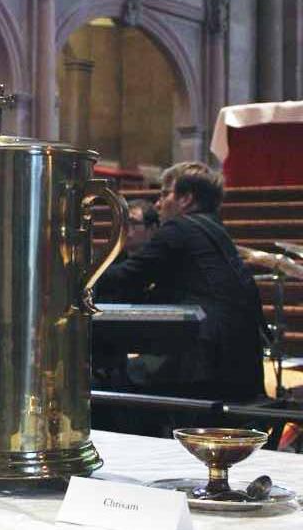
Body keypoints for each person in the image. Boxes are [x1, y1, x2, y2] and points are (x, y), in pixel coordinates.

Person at [97, 162, 265, 402]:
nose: (158, 203)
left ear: (185, 199)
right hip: (242, 366)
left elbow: (129, 274)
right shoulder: (215, 231)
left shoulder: (179, 228)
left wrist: (78, 277)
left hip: (204, 365)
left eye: (165, 194)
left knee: (107, 385)